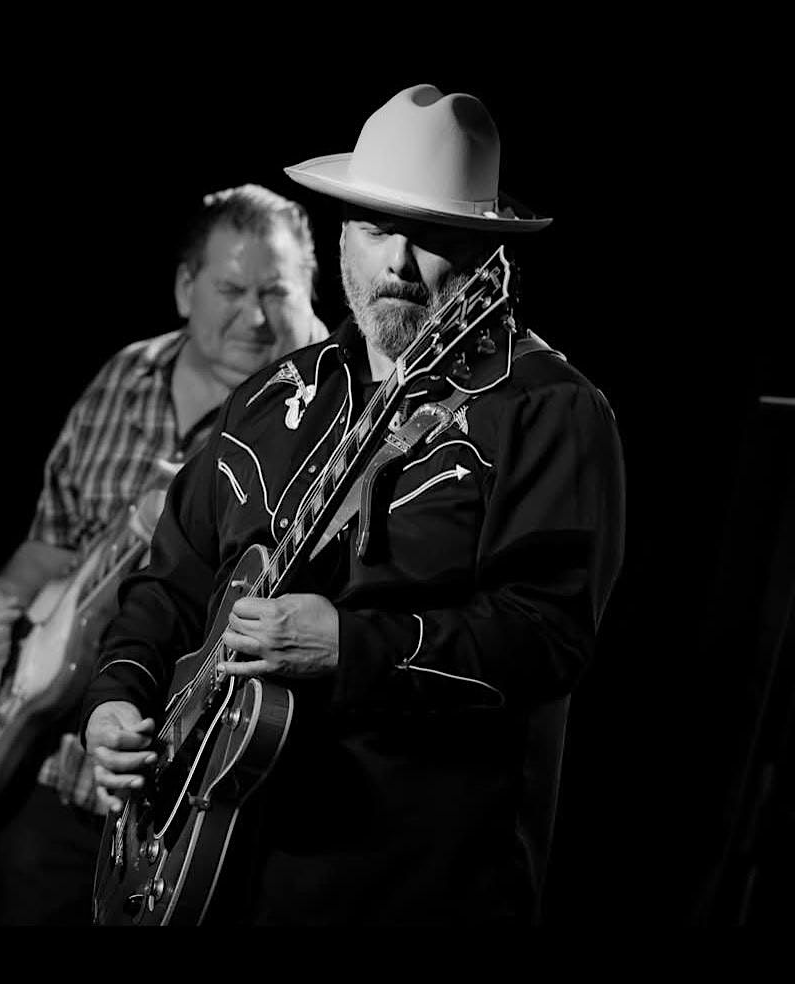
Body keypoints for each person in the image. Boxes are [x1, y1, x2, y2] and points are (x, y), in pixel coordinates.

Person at [82, 84, 626, 926]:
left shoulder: (548, 410)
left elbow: (547, 637)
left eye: (433, 236)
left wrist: (350, 647)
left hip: (408, 885)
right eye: (377, 228)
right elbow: (171, 583)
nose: (399, 264)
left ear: (489, 254)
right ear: (341, 235)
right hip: (217, 865)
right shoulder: (270, 397)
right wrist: (118, 695)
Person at [0, 184, 328, 926]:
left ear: (311, 288)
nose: (255, 318)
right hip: (58, 777)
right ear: (186, 287)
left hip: (203, 808)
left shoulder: (332, 410)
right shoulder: (126, 375)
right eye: (232, 290)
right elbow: (55, 538)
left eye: (276, 292)